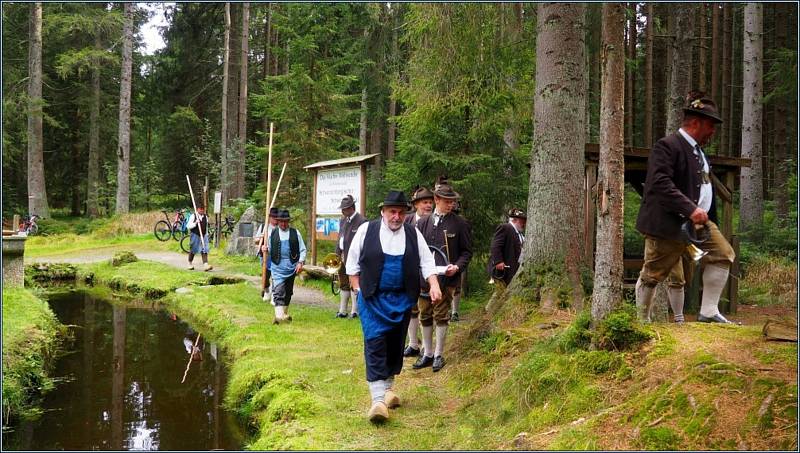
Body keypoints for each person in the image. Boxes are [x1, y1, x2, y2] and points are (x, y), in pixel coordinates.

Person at [635, 92, 736, 324]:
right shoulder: (667, 146)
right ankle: (641, 322)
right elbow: (660, 183)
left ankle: (709, 312)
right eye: (710, 126)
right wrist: (690, 209)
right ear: (696, 123)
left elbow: (703, 188)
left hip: (700, 224)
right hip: (668, 223)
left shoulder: (699, 152)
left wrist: (707, 219)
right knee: (652, 274)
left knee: (723, 253)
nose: (713, 132)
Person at [346, 190, 442, 423]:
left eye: (400, 212)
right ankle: (377, 401)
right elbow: (352, 264)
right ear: (383, 212)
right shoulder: (366, 230)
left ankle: (387, 389)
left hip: (401, 300)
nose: (397, 216)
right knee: (376, 343)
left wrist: (434, 284)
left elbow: (427, 261)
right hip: (372, 299)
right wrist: (358, 290)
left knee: (394, 345)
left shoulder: (413, 233)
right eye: (392, 212)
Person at [412, 183, 472, 372]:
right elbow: (416, 250)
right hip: (425, 279)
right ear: (437, 200)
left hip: (447, 279)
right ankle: (427, 353)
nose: (451, 205)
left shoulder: (460, 223)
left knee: (441, 315)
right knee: (425, 314)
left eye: (452, 202)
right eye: (447, 201)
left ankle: (439, 354)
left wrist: (458, 267)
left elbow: (466, 252)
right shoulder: (422, 222)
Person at [402, 186, 434, 357]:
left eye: (430, 202)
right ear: (416, 204)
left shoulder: (435, 222)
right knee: (410, 308)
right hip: (408, 272)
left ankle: (426, 348)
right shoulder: (406, 220)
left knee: (426, 310)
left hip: (427, 274)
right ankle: (413, 343)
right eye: (424, 202)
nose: (428, 205)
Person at [269, 209, 307, 324]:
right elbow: (269, 248)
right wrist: (264, 249)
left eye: (285, 222)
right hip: (277, 267)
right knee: (278, 291)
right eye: (281, 222)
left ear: (288, 221)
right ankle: (279, 316)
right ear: (278, 221)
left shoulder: (295, 233)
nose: (283, 224)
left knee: (288, 292)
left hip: (292, 267)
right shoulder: (273, 233)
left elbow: (303, 249)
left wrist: (300, 262)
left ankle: (284, 314)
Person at [335, 195, 366, 319]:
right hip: (342, 257)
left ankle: (355, 311)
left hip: (355, 259)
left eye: (345, 208)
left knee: (354, 283)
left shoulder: (362, 221)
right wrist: (336, 254)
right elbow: (340, 238)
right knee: (343, 282)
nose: (342, 211)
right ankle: (342, 310)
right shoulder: (343, 220)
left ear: (352, 208)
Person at [487, 208, 526, 286]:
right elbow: (496, 246)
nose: (524, 224)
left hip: (514, 269)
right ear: (516, 220)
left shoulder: (519, 233)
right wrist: (498, 261)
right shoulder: (505, 227)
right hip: (505, 269)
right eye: (522, 221)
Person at [255, 207, 280, 300]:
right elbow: (256, 240)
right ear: (269, 217)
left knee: (275, 275)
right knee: (265, 275)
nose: (275, 219)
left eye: (277, 217)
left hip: (276, 255)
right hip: (265, 255)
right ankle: (266, 291)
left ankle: (274, 294)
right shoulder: (263, 227)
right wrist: (261, 240)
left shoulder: (280, 227)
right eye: (274, 217)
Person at [186, 205, 213, 271]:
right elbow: (188, 226)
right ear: (197, 209)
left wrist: (206, 234)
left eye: (203, 209)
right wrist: (195, 223)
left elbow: (206, 226)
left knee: (204, 249)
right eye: (200, 209)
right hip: (195, 234)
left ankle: (205, 265)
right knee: (193, 249)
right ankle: (190, 263)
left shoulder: (205, 217)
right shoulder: (193, 216)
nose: (202, 210)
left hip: (204, 235)